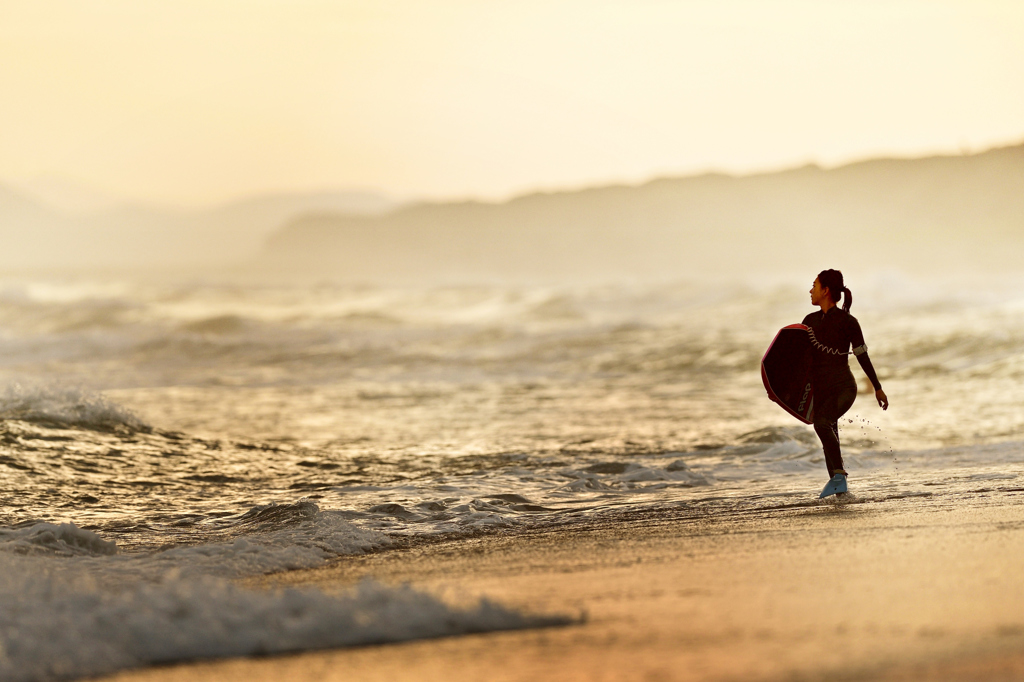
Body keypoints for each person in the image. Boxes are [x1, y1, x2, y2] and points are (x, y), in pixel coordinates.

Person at [803, 269, 888, 498]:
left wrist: (877, 387)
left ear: (826, 290)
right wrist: (781, 391)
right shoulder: (809, 322)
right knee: (829, 434)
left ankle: (839, 477)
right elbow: (800, 360)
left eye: (814, 285)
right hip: (820, 389)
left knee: (822, 423)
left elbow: (862, 356)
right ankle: (841, 495)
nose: (811, 290)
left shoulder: (848, 322)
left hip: (843, 388)